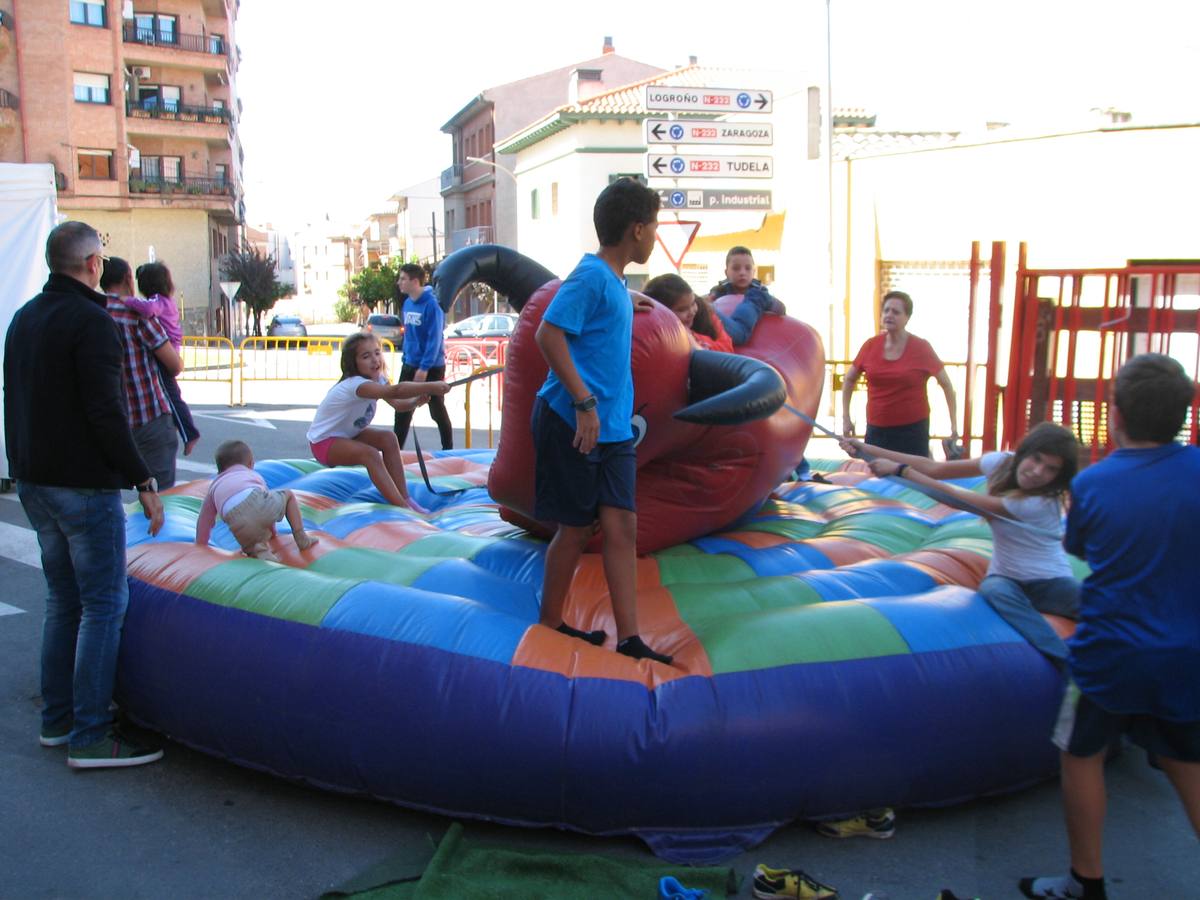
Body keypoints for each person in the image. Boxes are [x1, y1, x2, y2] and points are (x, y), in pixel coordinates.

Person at [1020, 354, 1200, 900]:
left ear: (1115, 413)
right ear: (1184, 415)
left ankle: (1086, 881)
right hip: (1185, 648)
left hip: (1111, 650)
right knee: (1187, 759)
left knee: (1080, 754)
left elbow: (1079, 547)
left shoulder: (1096, 483)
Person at [4, 221, 165, 768]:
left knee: (64, 600)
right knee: (103, 604)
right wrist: (141, 478)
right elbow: (105, 410)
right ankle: (91, 734)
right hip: (81, 484)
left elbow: (16, 397)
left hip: (35, 480)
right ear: (94, 264)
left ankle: (58, 720)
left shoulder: (25, 317)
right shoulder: (92, 322)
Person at [532, 177, 673, 665]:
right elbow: (549, 336)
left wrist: (624, 303)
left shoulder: (611, 282)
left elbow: (597, 323)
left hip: (614, 429)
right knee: (574, 528)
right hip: (576, 420)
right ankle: (550, 620)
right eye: (654, 226)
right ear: (637, 229)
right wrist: (584, 403)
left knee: (622, 527)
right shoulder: (591, 276)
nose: (655, 235)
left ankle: (630, 637)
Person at [843, 422, 1081, 663]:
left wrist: (902, 471)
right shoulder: (1002, 463)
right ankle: (1059, 655)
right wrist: (867, 449)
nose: (1037, 471)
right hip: (1007, 577)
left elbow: (961, 499)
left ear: (1057, 479)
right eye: (1036, 459)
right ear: (1024, 452)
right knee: (993, 590)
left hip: (1049, 581)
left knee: (1095, 604)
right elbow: (933, 467)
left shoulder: (1040, 503)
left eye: (1050, 469)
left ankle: (1064, 657)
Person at [308, 332, 449, 509]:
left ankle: (405, 498)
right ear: (353, 363)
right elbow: (396, 391)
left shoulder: (378, 379)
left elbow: (398, 404)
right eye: (366, 356)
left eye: (377, 353)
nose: (374, 360)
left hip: (347, 435)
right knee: (370, 454)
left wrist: (415, 402)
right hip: (324, 443)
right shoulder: (357, 385)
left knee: (388, 438)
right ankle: (402, 507)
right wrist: (432, 385)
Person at [841, 290, 959, 457]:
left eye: (896, 312)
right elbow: (849, 379)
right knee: (877, 477)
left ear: (907, 317)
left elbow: (947, 385)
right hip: (877, 430)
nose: (889, 315)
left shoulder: (921, 347)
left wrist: (953, 426)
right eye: (886, 310)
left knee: (913, 477)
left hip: (912, 430)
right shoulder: (870, 345)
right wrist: (846, 418)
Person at [99, 258, 183, 489]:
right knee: (162, 496)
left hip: (111, 421)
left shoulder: (93, 311)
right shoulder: (138, 315)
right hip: (149, 417)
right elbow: (174, 365)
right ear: (128, 279)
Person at [195, 439, 319, 561]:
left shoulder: (214, 486)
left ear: (219, 469)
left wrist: (201, 546)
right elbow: (264, 503)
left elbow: (205, 520)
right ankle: (301, 537)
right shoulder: (252, 475)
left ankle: (264, 556)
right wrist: (273, 533)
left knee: (255, 549)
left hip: (236, 522)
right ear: (250, 464)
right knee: (289, 495)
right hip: (256, 499)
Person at [126, 261, 201, 455]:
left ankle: (188, 433)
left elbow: (149, 310)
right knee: (171, 392)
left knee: (169, 392)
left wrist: (127, 301)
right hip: (171, 347)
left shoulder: (158, 301)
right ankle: (183, 427)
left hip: (167, 350)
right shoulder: (167, 300)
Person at [393, 263, 453, 451]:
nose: (399, 282)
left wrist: (424, 368)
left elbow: (434, 339)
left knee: (436, 410)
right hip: (410, 363)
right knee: (402, 411)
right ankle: (395, 451)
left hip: (431, 366)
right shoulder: (407, 303)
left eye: (403, 279)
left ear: (415, 281)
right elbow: (410, 335)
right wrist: (406, 360)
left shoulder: (432, 304)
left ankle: (448, 449)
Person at [706, 245, 786, 345]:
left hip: (742, 330)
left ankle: (712, 314)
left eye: (748, 268)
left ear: (754, 271)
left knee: (756, 296)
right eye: (736, 268)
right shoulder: (720, 290)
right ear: (726, 272)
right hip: (722, 332)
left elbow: (781, 308)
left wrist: (770, 301)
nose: (742, 273)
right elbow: (710, 297)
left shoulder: (759, 292)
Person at [642, 272, 733, 351]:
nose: (691, 312)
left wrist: (693, 337)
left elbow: (728, 349)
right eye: (682, 309)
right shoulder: (656, 331)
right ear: (662, 313)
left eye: (693, 303)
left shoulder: (705, 312)